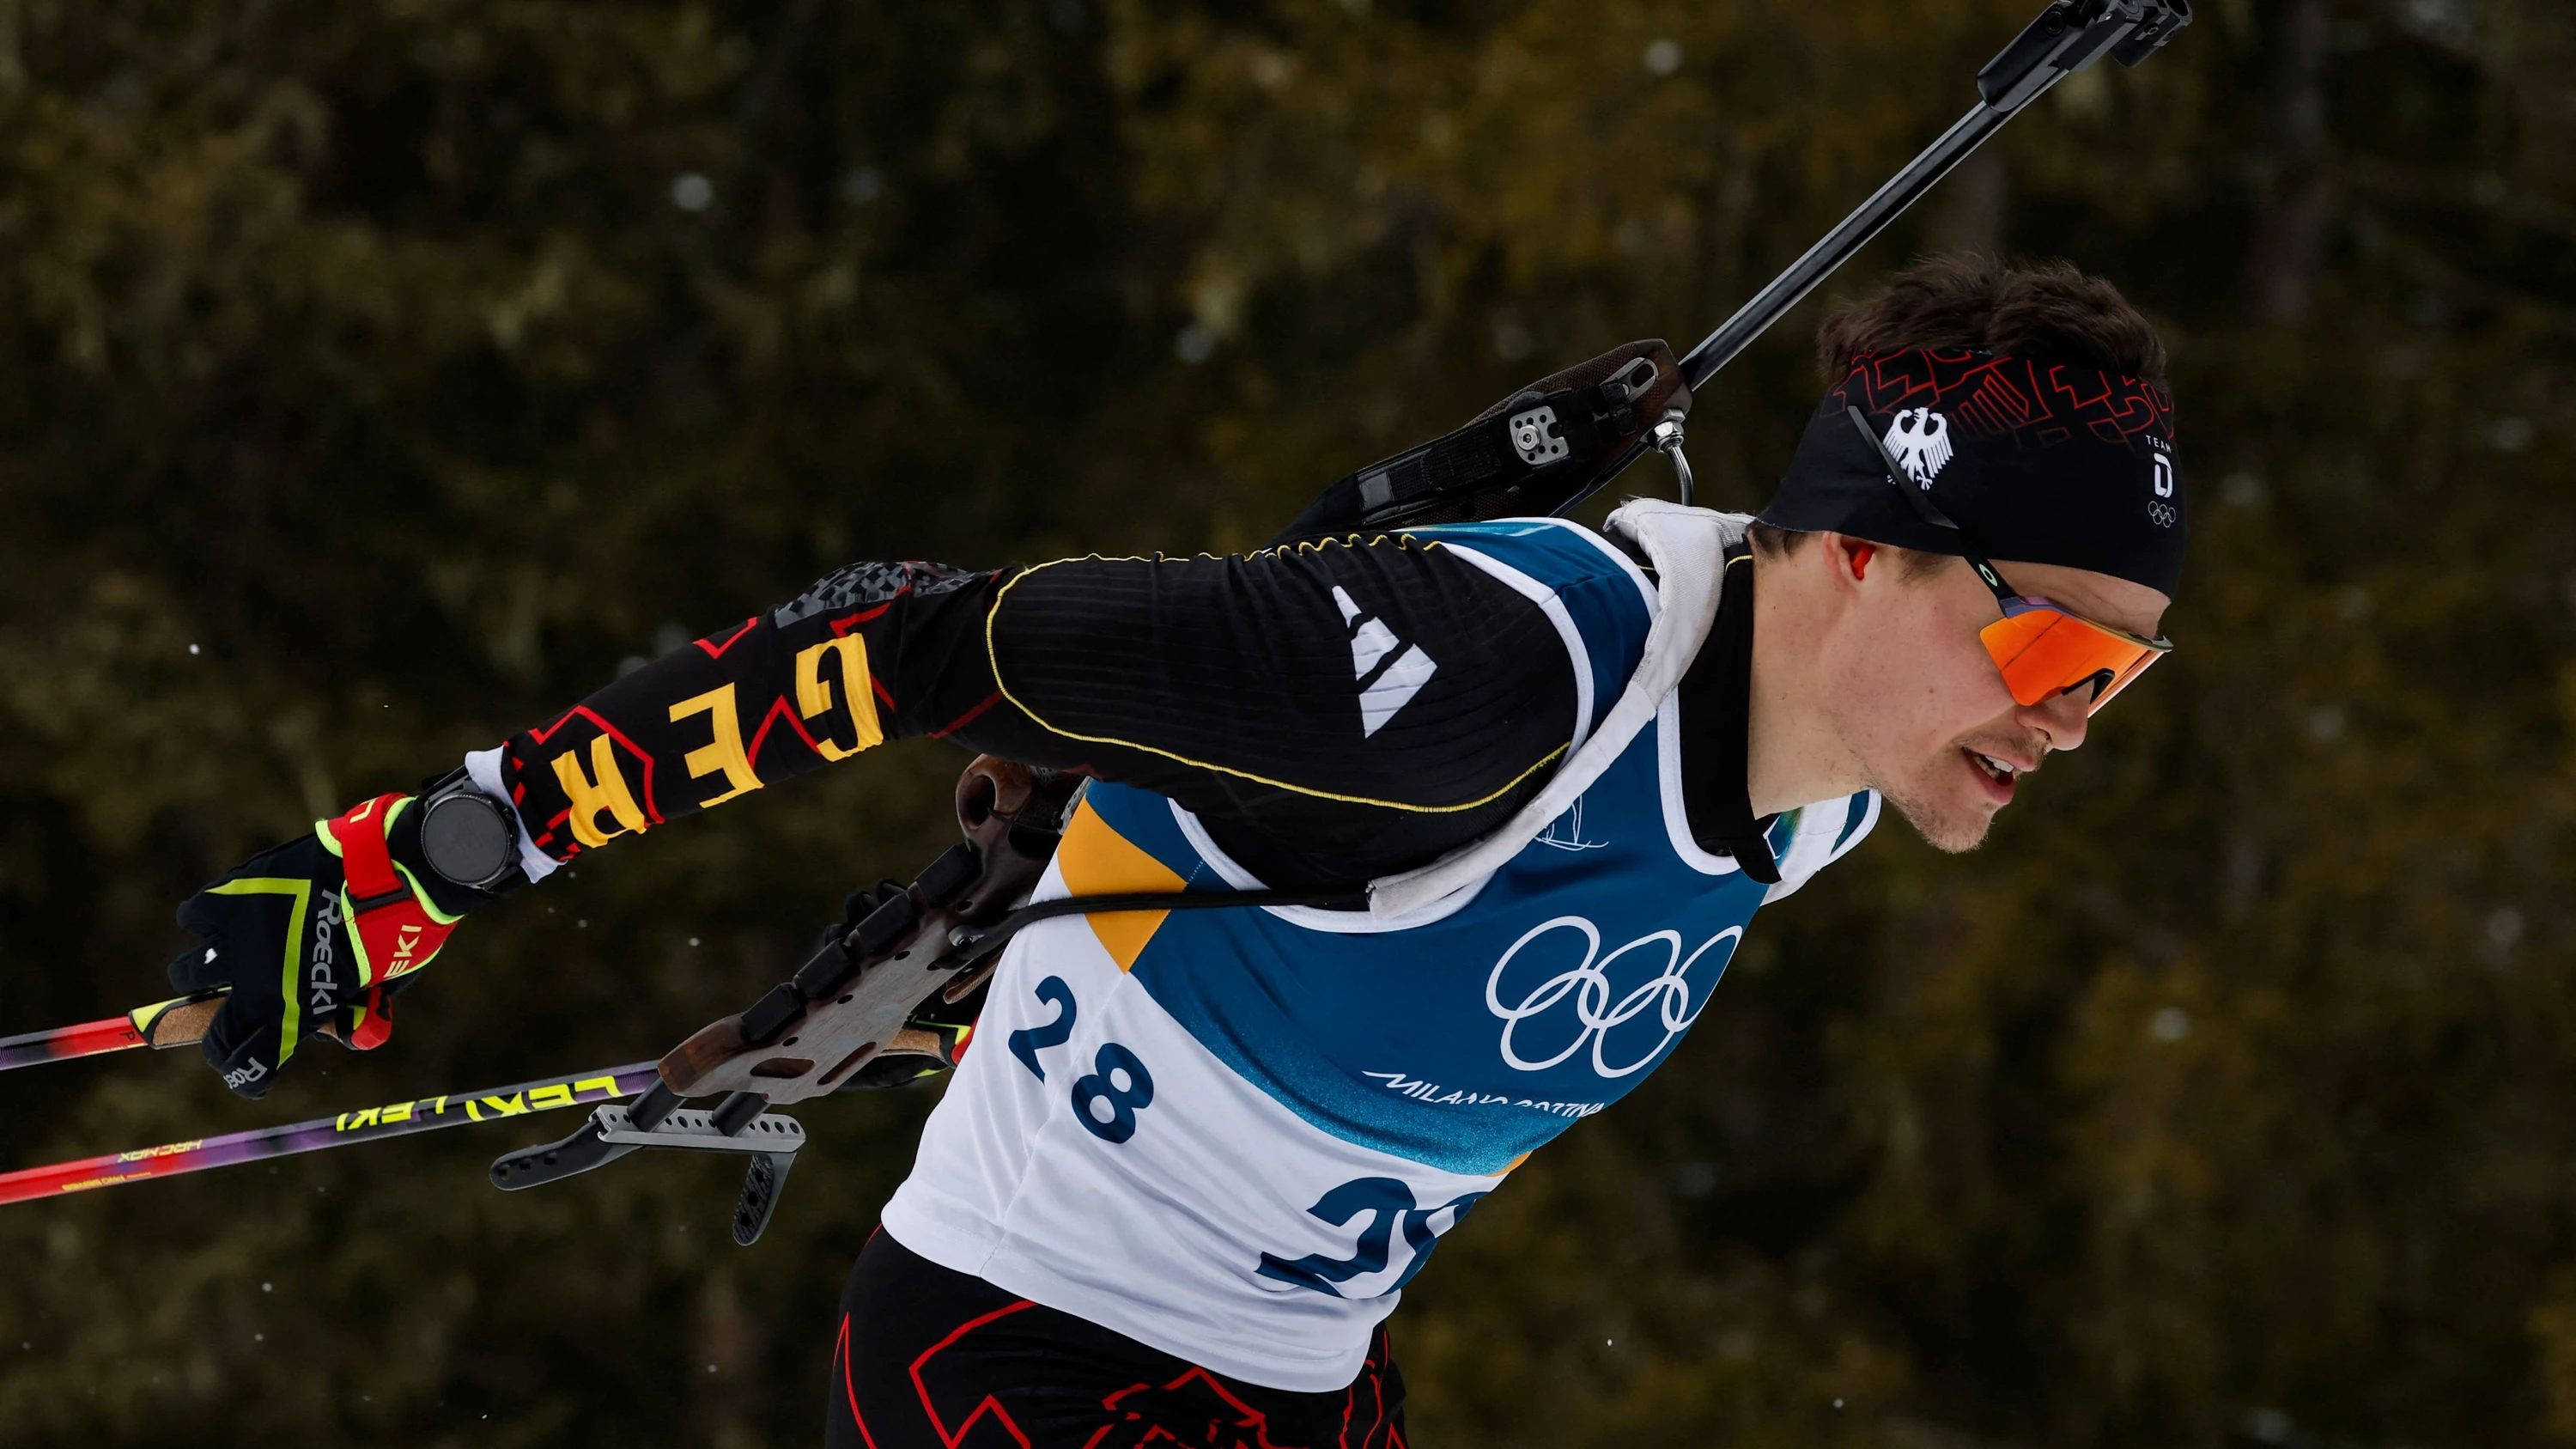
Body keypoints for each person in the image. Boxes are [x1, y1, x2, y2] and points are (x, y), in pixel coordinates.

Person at [167, 253, 2184, 1446]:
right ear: (1861, 551)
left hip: (1301, 1388)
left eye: (2126, 673)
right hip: (1026, 1358)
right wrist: (428, 857)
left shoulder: (1830, 772)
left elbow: (1264, 870)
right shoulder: (1482, 681)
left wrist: (1046, 947)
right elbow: (916, 641)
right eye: (2053, 649)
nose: (2076, 715)